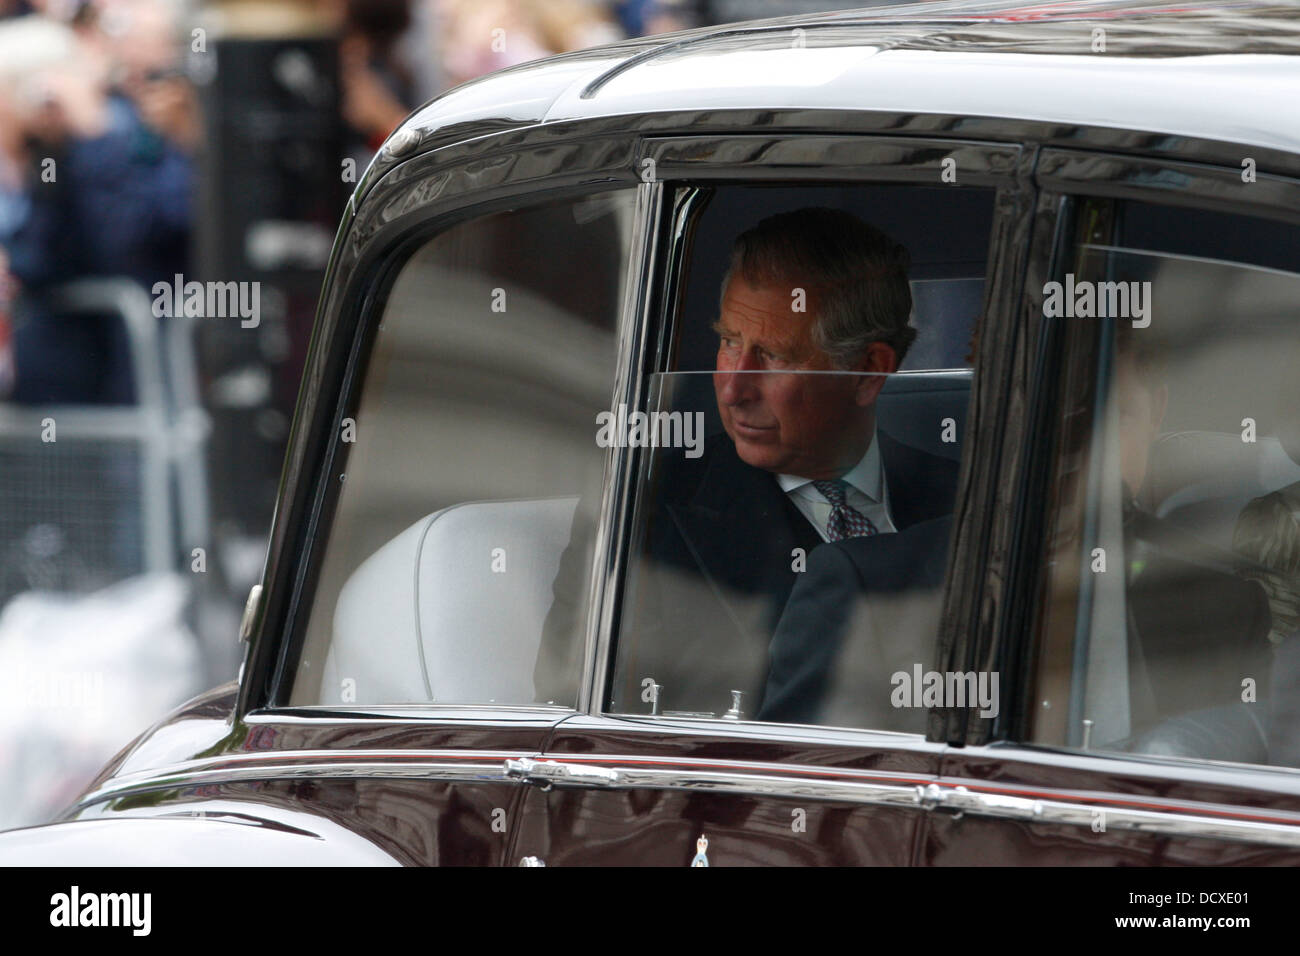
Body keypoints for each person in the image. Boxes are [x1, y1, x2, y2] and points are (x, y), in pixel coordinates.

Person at [534, 207, 960, 715]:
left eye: (774, 356)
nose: (733, 388)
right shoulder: (637, 521)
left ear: (869, 372)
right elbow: (575, 729)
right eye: (728, 342)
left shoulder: (968, 498)